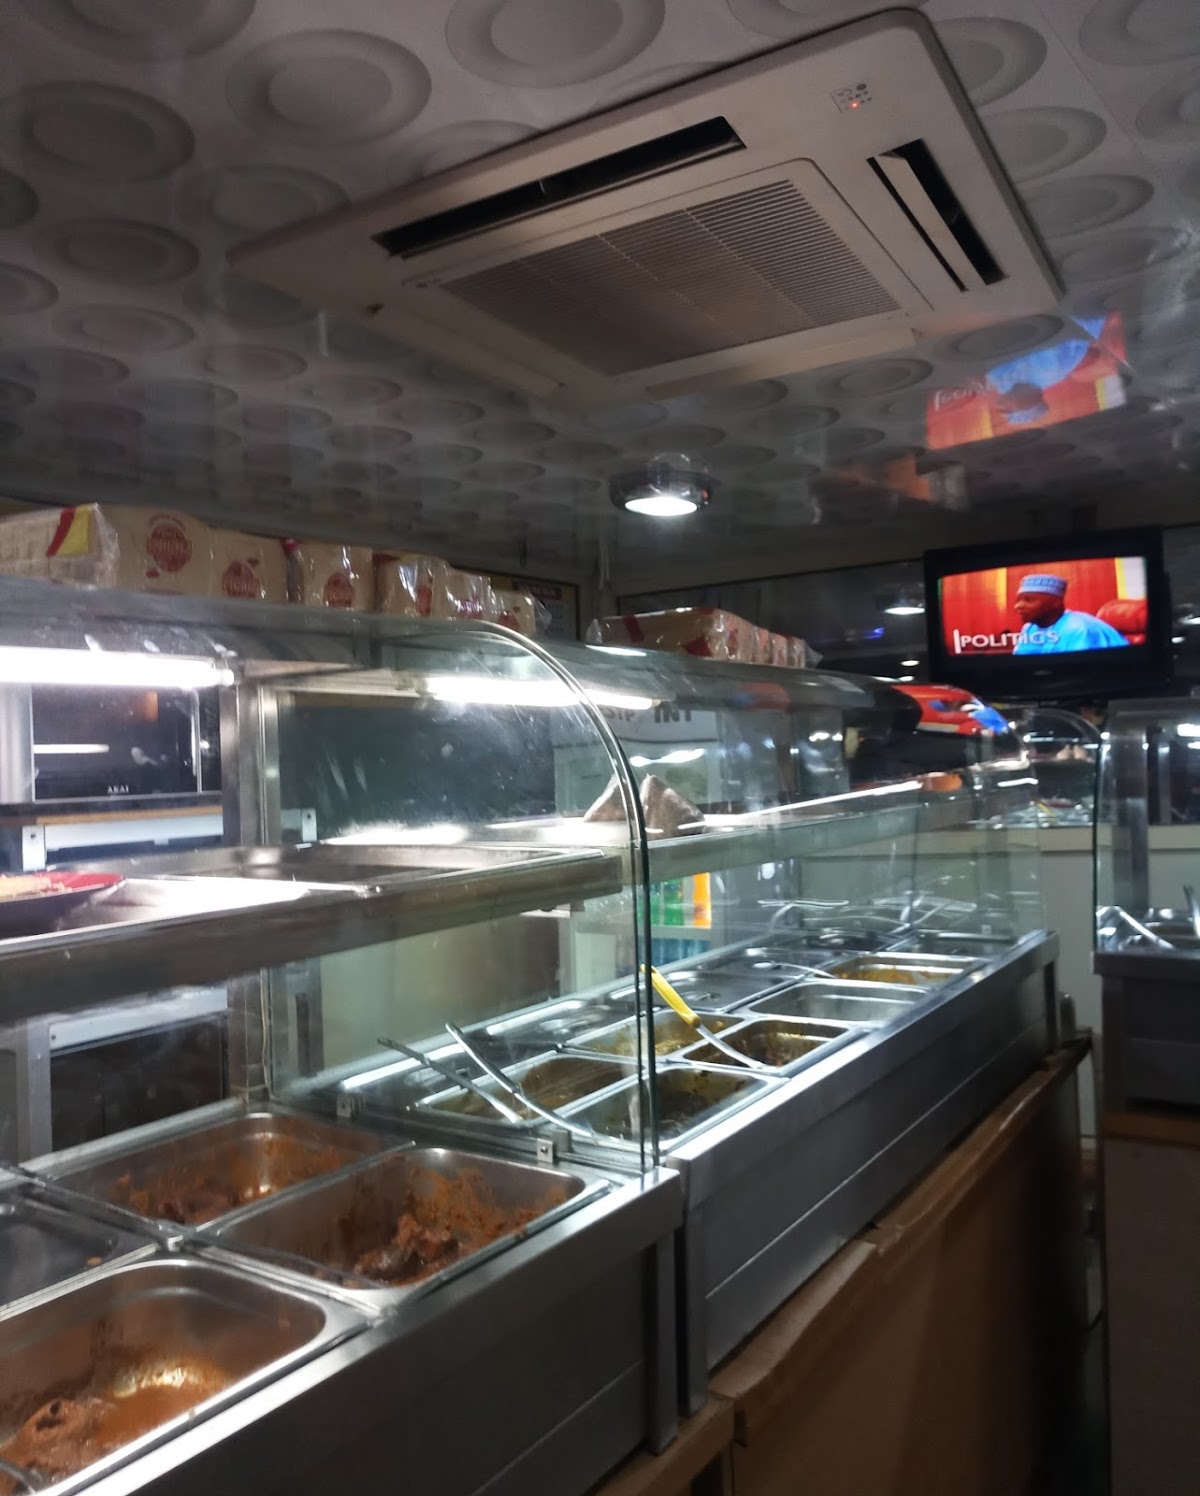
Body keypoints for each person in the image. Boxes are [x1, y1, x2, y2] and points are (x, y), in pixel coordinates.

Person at [1011, 574, 1129, 655]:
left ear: (1055, 603)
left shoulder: (1079, 628)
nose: (1018, 606)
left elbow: (1082, 669)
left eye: (1029, 600)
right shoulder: (1030, 627)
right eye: (1018, 600)